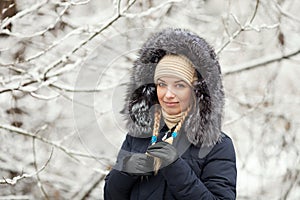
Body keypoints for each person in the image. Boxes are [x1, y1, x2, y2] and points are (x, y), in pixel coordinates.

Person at [104, 28, 237, 200]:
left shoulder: (217, 145)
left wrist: (175, 168)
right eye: (161, 84)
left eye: (179, 85)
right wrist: (124, 171)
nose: (168, 94)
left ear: (197, 91)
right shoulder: (138, 135)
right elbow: (110, 196)